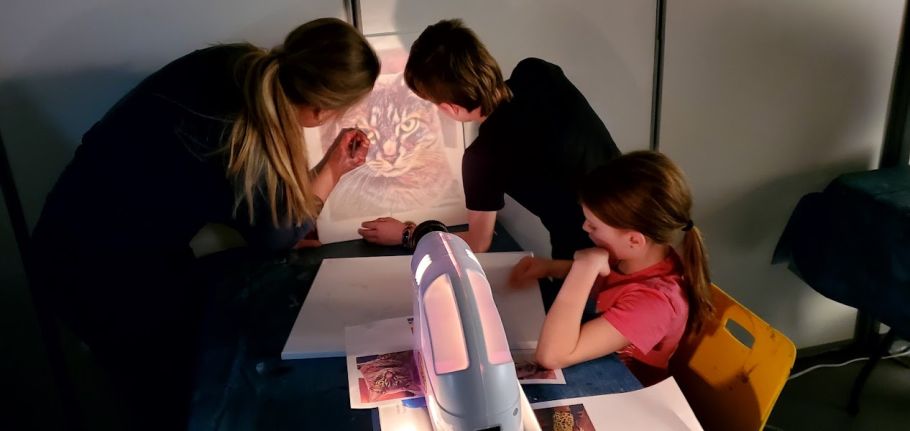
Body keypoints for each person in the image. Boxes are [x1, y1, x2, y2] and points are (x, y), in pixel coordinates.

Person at [29, 18, 379, 428]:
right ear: (320, 111)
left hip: (77, 227)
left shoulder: (231, 64)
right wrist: (333, 169)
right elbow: (276, 235)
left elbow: (269, 220)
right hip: (97, 272)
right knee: (174, 399)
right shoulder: (241, 133)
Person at [356, 19, 620, 260]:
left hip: (589, 256)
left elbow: (478, 243)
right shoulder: (538, 72)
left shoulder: (482, 158)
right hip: (644, 213)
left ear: (451, 108)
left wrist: (408, 234)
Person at [510, 151, 715, 386]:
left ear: (634, 240)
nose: (585, 227)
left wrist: (584, 267)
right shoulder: (637, 256)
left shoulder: (655, 302)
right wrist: (550, 268)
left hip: (623, 388)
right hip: (597, 362)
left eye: (594, 226)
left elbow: (551, 356)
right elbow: (611, 277)